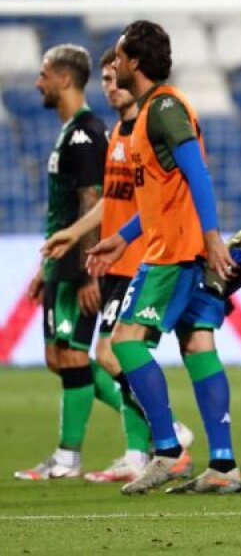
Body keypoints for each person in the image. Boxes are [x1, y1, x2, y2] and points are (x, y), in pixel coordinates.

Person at [87, 19, 241, 494]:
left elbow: (197, 172)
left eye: (119, 54)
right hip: (177, 245)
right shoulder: (149, 113)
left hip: (174, 253)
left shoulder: (162, 108)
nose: (114, 62)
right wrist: (122, 236)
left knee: (124, 342)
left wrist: (214, 238)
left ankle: (166, 450)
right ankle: (223, 466)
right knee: (199, 343)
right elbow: (162, 191)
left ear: (134, 62)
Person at [38, 48, 194, 483]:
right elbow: (112, 201)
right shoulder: (120, 136)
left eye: (114, 78)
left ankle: (171, 434)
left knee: (111, 353)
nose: (109, 86)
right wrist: (75, 234)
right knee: (112, 354)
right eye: (104, 80)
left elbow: (156, 198)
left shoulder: (148, 129)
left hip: (144, 258)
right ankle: (138, 453)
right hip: (117, 258)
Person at [15, 45, 109, 481]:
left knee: (71, 356)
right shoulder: (69, 132)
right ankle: (151, 417)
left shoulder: (86, 133)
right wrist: (44, 271)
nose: (39, 83)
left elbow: (94, 201)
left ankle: (71, 456)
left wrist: (89, 269)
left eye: (44, 75)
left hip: (78, 264)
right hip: (61, 264)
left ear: (65, 79)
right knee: (58, 357)